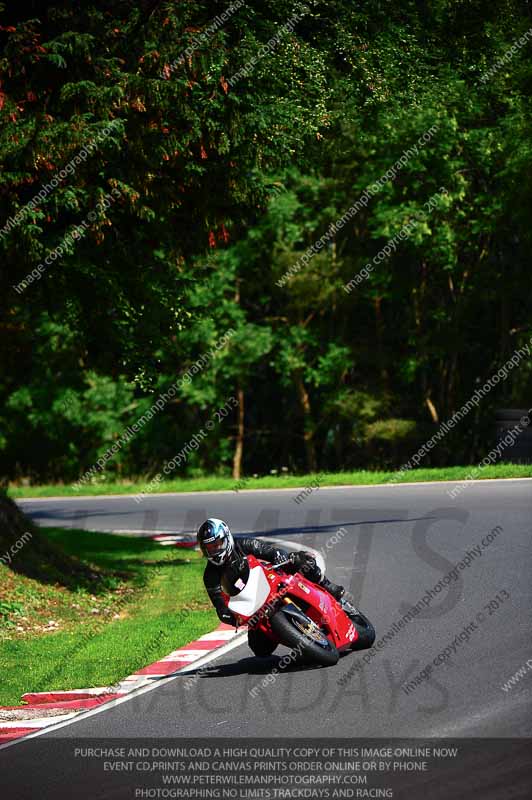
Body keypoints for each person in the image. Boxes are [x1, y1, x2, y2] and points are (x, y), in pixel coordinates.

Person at [197, 517, 345, 657]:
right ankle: (299, 642)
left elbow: (270, 552)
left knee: (299, 561)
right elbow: (220, 607)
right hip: (255, 607)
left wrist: (280, 556)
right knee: (259, 649)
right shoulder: (210, 576)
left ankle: (327, 585)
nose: (215, 551)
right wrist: (232, 618)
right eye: (210, 548)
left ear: (226, 538)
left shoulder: (244, 544)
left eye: (217, 545)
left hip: (273, 580)